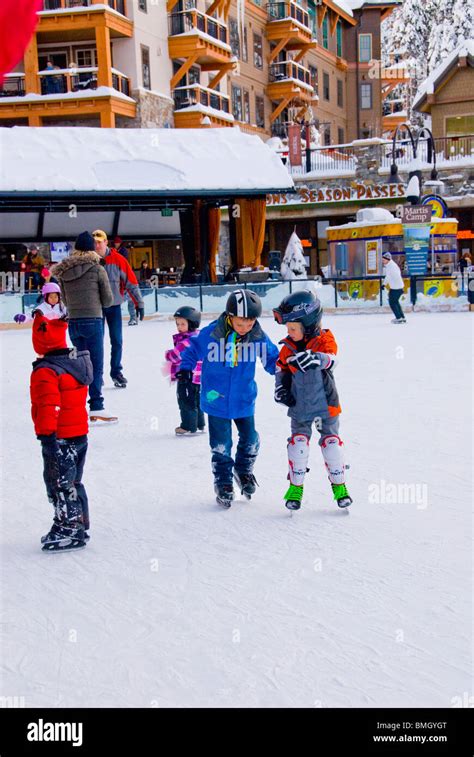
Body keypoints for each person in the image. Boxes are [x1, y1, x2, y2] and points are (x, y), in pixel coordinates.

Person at [178, 289, 279, 507]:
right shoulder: (213, 333)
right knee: (221, 444)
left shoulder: (257, 336)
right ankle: (223, 481)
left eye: (250, 323)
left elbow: (273, 359)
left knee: (251, 440)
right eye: (240, 324)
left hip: (244, 398)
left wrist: (286, 372)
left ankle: (243, 471)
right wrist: (185, 372)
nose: (245, 329)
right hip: (216, 398)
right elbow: (193, 349)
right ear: (229, 316)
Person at [273, 290, 352, 511]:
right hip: (300, 404)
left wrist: (317, 358)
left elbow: (332, 359)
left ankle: (340, 487)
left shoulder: (324, 340)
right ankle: (295, 489)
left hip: (326, 403)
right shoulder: (287, 348)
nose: (289, 332)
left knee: (332, 445)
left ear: (308, 324)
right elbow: (281, 370)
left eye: (293, 328)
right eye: (288, 329)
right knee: (298, 445)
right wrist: (280, 389)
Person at [29, 310, 93, 552]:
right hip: (79, 435)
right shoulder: (72, 364)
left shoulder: (46, 371)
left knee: (59, 482)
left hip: (60, 438)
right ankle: (79, 521)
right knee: (73, 480)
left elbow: (49, 406)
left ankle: (69, 527)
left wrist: (47, 437)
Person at [51, 231, 117, 425]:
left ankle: (76, 405)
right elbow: (107, 300)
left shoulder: (63, 271)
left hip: (74, 323)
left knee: (78, 364)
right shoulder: (97, 269)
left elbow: (63, 297)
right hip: (93, 321)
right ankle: (96, 406)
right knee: (95, 364)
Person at [92, 229, 144, 388]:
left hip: (114, 306)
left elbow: (131, 281)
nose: (97, 245)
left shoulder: (118, 259)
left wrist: (139, 303)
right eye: (95, 242)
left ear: (106, 242)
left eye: (100, 242)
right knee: (96, 343)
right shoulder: (89, 261)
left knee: (117, 341)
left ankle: (116, 372)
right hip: (95, 308)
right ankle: (97, 375)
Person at [164, 306, 205, 436]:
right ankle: (199, 424)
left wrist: (168, 354)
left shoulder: (186, 341)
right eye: (177, 324)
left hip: (187, 375)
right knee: (196, 400)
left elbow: (175, 355)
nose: (179, 327)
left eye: (182, 324)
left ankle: (188, 425)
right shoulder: (198, 337)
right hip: (198, 377)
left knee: (185, 400)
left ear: (192, 324)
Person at [382, 252, 406, 324]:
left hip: (396, 288)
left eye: (384, 259)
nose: (383, 261)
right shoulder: (391, 265)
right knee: (395, 302)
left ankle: (398, 318)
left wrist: (383, 284)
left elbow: (388, 277)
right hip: (398, 287)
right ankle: (402, 317)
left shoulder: (391, 266)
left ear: (388, 259)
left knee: (392, 302)